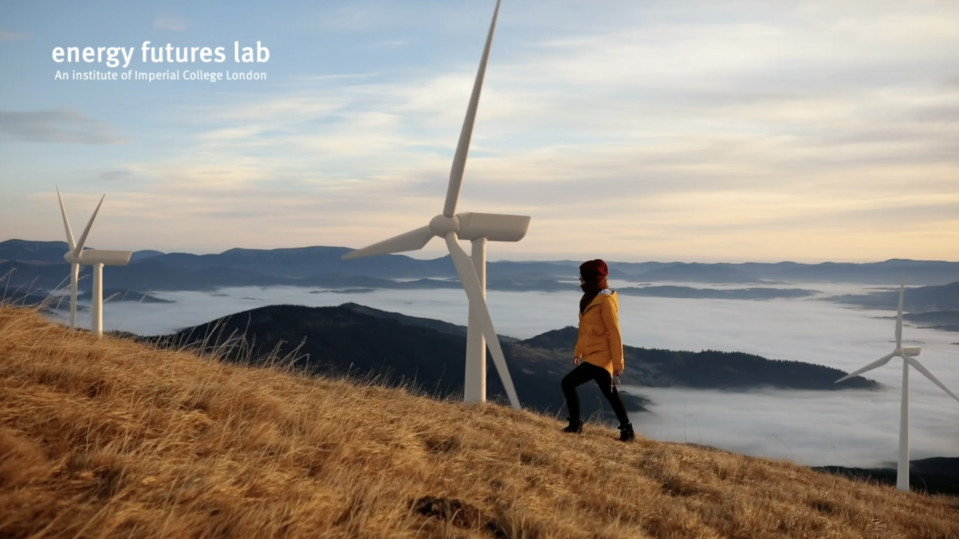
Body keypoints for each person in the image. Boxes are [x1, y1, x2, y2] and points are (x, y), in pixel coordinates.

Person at [561, 259, 636, 442]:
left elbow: (614, 331)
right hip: (593, 354)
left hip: (602, 356)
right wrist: (578, 352)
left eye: (583, 278)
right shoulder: (590, 297)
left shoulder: (605, 299)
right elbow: (585, 329)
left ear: (592, 279)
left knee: (568, 383)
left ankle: (575, 425)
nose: (580, 281)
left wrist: (619, 362)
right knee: (610, 393)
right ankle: (627, 431)